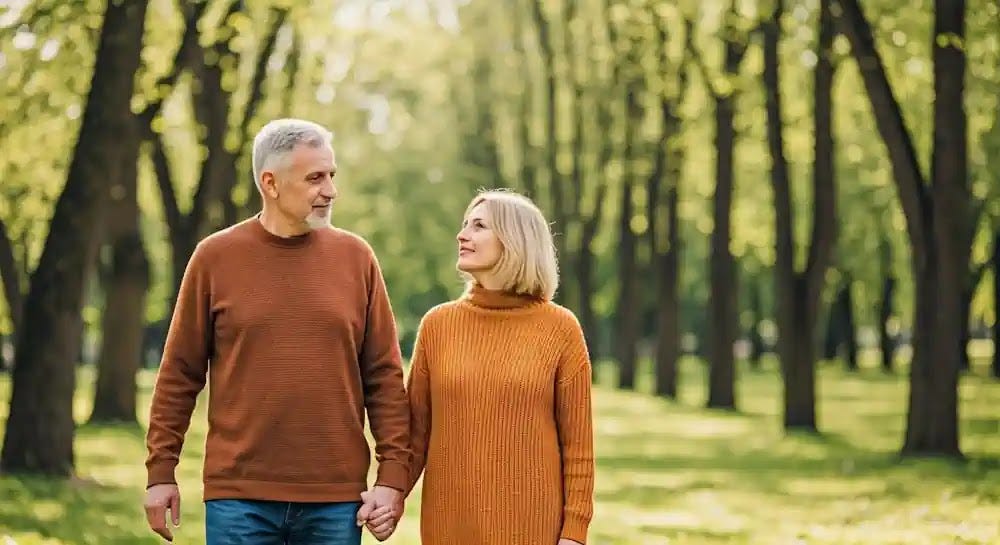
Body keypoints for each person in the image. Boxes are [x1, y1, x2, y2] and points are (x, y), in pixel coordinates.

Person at [142, 118, 409, 544]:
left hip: (336, 500)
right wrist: (160, 472)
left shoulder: (357, 259)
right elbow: (179, 373)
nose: (330, 190)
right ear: (271, 182)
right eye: (315, 178)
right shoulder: (215, 258)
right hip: (239, 498)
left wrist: (392, 478)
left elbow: (384, 377)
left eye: (332, 175)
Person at [370, 189, 596, 544]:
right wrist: (391, 496)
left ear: (515, 240)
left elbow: (578, 449)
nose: (462, 235)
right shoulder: (438, 325)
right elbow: (416, 433)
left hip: (534, 530)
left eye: (478, 226)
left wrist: (575, 534)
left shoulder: (561, 329)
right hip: (449, 528)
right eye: (464, 225)